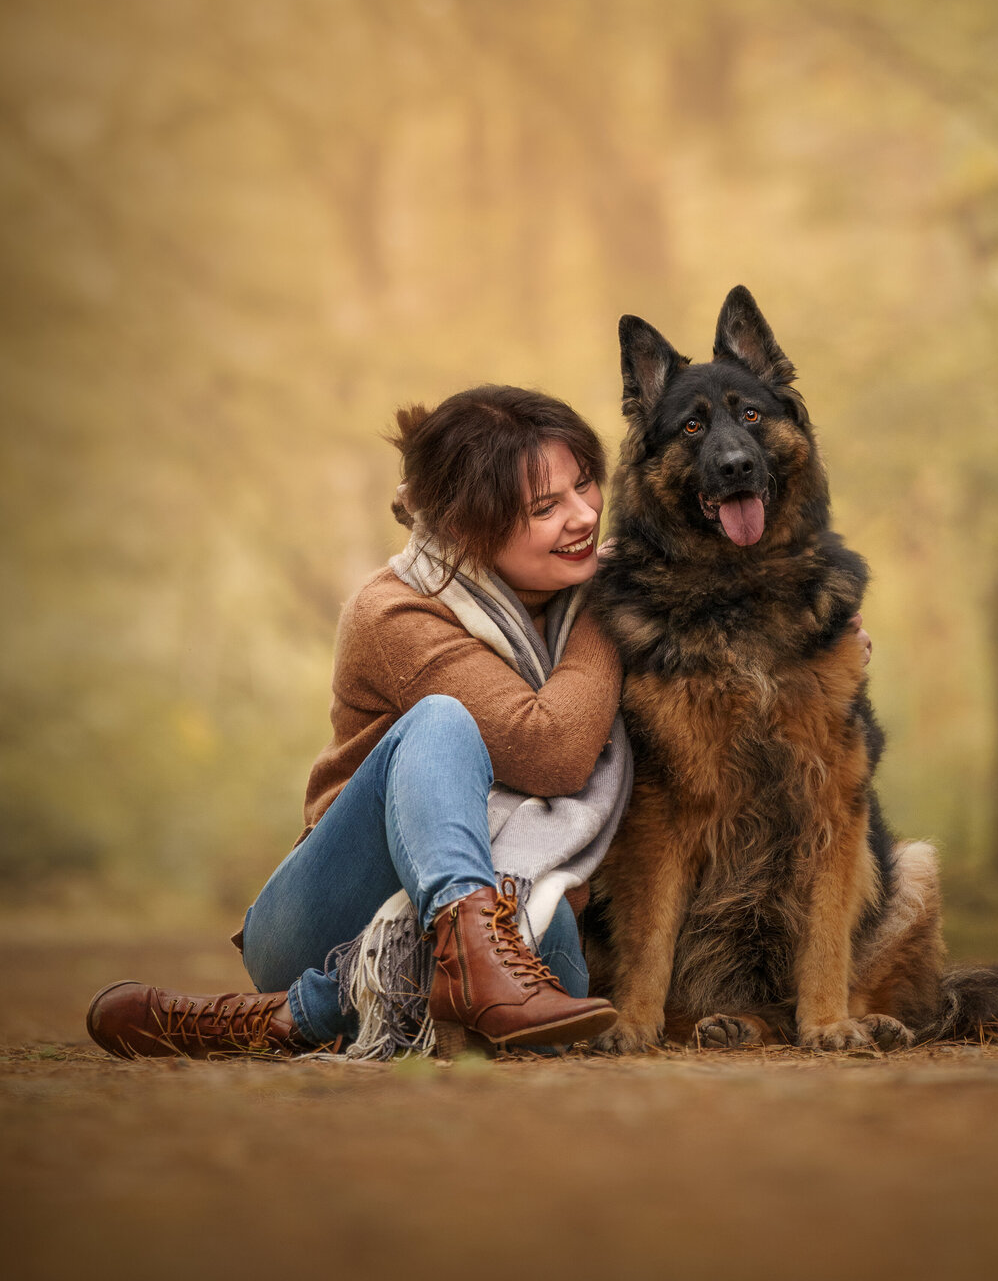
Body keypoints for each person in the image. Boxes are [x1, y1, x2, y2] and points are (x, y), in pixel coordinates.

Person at [86, 384, 630, 1060]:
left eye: (585, 485)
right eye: (546, 507)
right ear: (466, 526)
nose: (584, 517)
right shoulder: (398, 610)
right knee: (441, 722)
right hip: (327, 913)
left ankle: (300, 1016)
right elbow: (552, 752)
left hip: (514, 912)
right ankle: (460, 964)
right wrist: (614, 604)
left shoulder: (570, 603)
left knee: (548, 973)